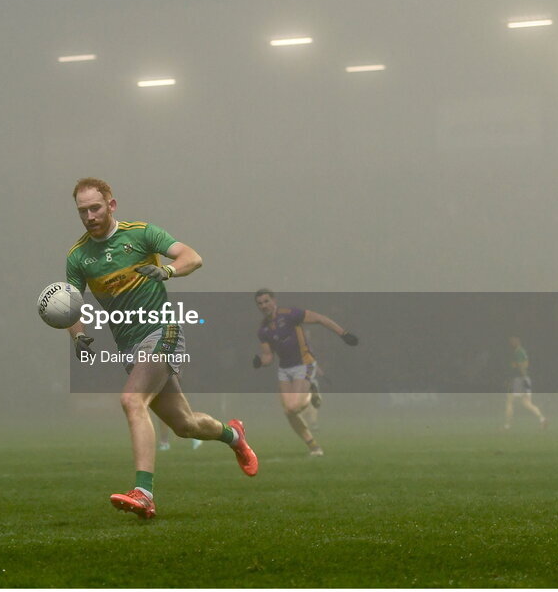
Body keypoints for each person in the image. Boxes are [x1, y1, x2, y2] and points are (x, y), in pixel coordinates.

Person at [65, 177, 257, 520]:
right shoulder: (79, 257)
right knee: (185, 425)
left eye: (96, 207)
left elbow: (193, 257)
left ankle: (144, 492)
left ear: (112, 205)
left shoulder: (141, 234)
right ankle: (234, 434)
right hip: (130, 347)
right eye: (83, 211)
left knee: (131, 400)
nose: (90, 216)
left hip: (162, 331)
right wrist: (78, 336)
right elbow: (70, 306)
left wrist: (167, 270)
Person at [252, 289, 358, 456]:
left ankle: (311, 388)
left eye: (266, 301)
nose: (263, 305)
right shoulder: (263, 330)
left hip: (304, 363)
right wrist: (259, 362)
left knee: (295, 406)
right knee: (289, 411)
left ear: (274, 300)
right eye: (260, 303)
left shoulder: (290, 314)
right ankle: (313, 446)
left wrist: (343, 333)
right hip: (284, 370)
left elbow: (320, 319)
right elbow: (268, 357)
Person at [503, 336, 547, 430]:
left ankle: (507, 426)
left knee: (509, 401)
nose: (511, 343)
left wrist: (517, 371)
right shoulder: (523, 351)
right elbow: (526, 364)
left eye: (512, 342)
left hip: (519, 380)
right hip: (526, 379)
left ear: (516, 342)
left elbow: (520, 366)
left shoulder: (518, 352)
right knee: (527, 403)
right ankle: (542, 419)